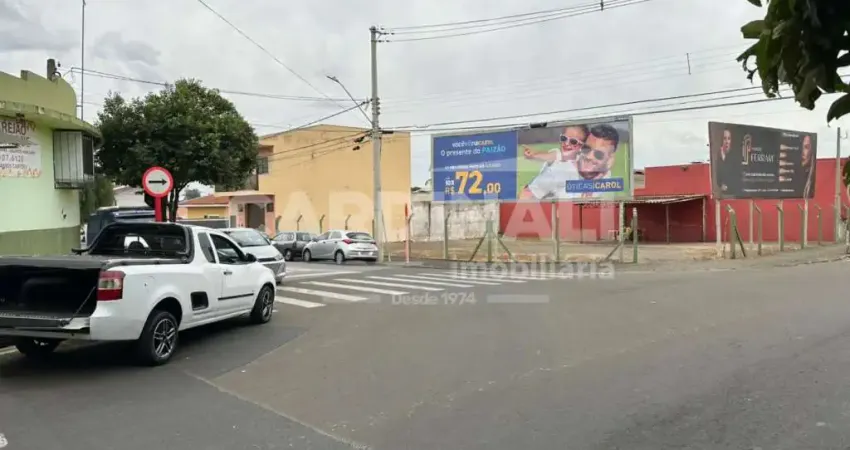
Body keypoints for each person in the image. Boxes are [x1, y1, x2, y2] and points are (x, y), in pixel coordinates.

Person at [519, 124, 620, 200]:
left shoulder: (607, 177)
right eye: (587, 149)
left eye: (598, 154)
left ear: (610, 159)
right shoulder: (559, 171)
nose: (589, 156)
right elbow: (525, 195)